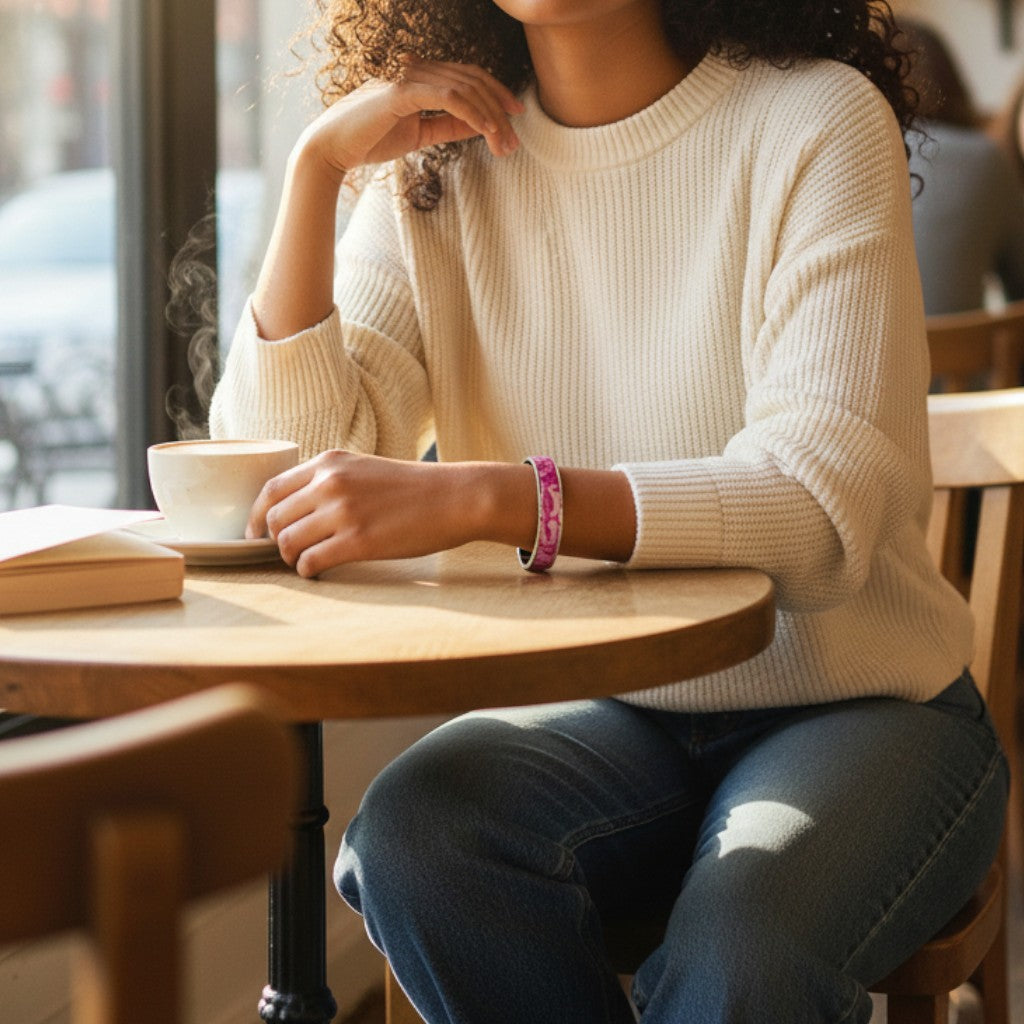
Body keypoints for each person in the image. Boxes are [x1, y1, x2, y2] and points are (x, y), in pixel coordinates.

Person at [208, 1, 1008, 1021]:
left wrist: (493, 496)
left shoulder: (815, 118)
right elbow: (291, 476)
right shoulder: (434, 165)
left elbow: (818, 506)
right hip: (615, 707)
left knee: (740, 962)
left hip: (861, 705)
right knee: (416, 838)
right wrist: (317, 175)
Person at [900, 16, 1024, 314]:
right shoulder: (986, 158)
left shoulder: (856, 151)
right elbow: (1019, 285)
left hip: (867, 356)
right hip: (970, 359)